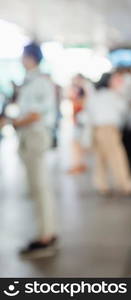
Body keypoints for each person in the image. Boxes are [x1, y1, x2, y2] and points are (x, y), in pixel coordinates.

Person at [11, 42, 58, 258]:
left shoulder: (40, 82)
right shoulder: (30, 82)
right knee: (37, 188)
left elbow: (37, 113)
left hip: (36, 134)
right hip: (29, 136)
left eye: (23, 56)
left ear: (30, 57)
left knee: (40, 187)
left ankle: (45, 237)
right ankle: (45, 233)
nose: (21, 60)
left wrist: (16, 122)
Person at [86, 71, 131, 197]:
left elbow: (89, 113)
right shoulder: (113, 95)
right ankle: (125, 186)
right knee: (117, 157)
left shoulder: (95, 96)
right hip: (109, 129)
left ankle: (101, 185)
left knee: (100, 159)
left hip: (97, 129)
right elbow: (123, 109)